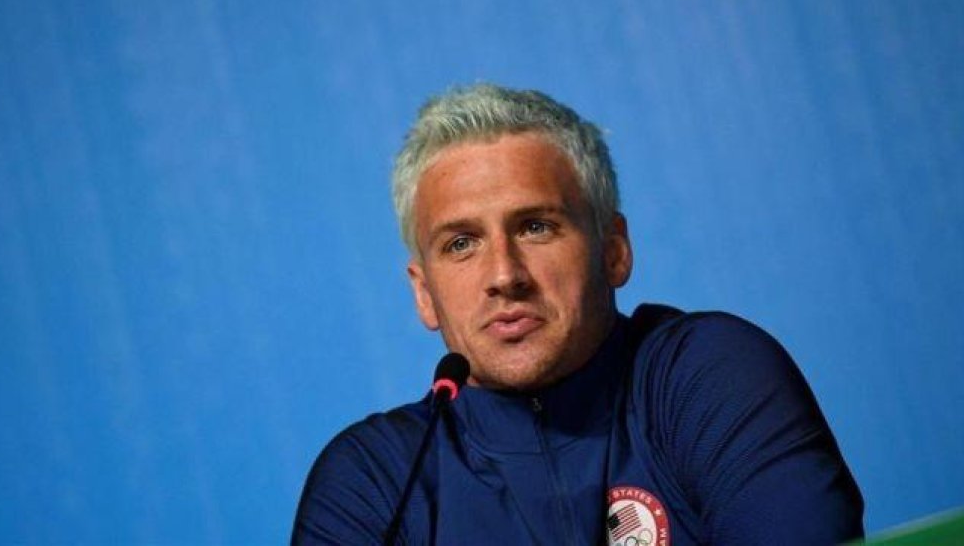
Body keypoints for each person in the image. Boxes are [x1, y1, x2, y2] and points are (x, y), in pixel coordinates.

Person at [293, 84, 864, 545]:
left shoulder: (705, 377)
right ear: (424, 293)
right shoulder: (376, 482)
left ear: (613, 249)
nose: (503, 275)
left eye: (535, 227)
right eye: (461, 243)